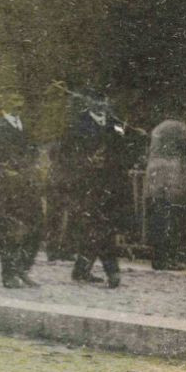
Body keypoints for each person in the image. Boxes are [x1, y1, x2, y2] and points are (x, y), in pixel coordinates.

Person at [59, 93, 133, 287]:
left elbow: (126, 148)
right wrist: (84, 162)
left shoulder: (116, 123)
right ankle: (112, 272)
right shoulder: (77, 124)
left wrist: (118, 163)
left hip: (110, 185)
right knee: (100, 228)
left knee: (96, 228)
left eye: (104, 99)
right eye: (96, 99)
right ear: (88, 102)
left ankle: (80, 270)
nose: (101, 104)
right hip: (86, 185)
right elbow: (62, 154)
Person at [0, 97, 43, 288]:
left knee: (36, 228)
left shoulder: (26, 127)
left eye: (20, 101)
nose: (18, 105)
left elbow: (34, 153)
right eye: (13, 101)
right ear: (3, 105)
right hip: (7, 187)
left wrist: (33, 170)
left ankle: (22, 268)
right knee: (8, 231)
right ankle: (9, 274)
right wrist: (0, 173)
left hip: (28, 186)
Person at [145, 119, 186, 270]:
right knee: (173, 219)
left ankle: (158, 259)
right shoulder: (183, 128)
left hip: (154, 175)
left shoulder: (158, 127)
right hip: (173, 176)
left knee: (158, 218)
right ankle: (169, 259)